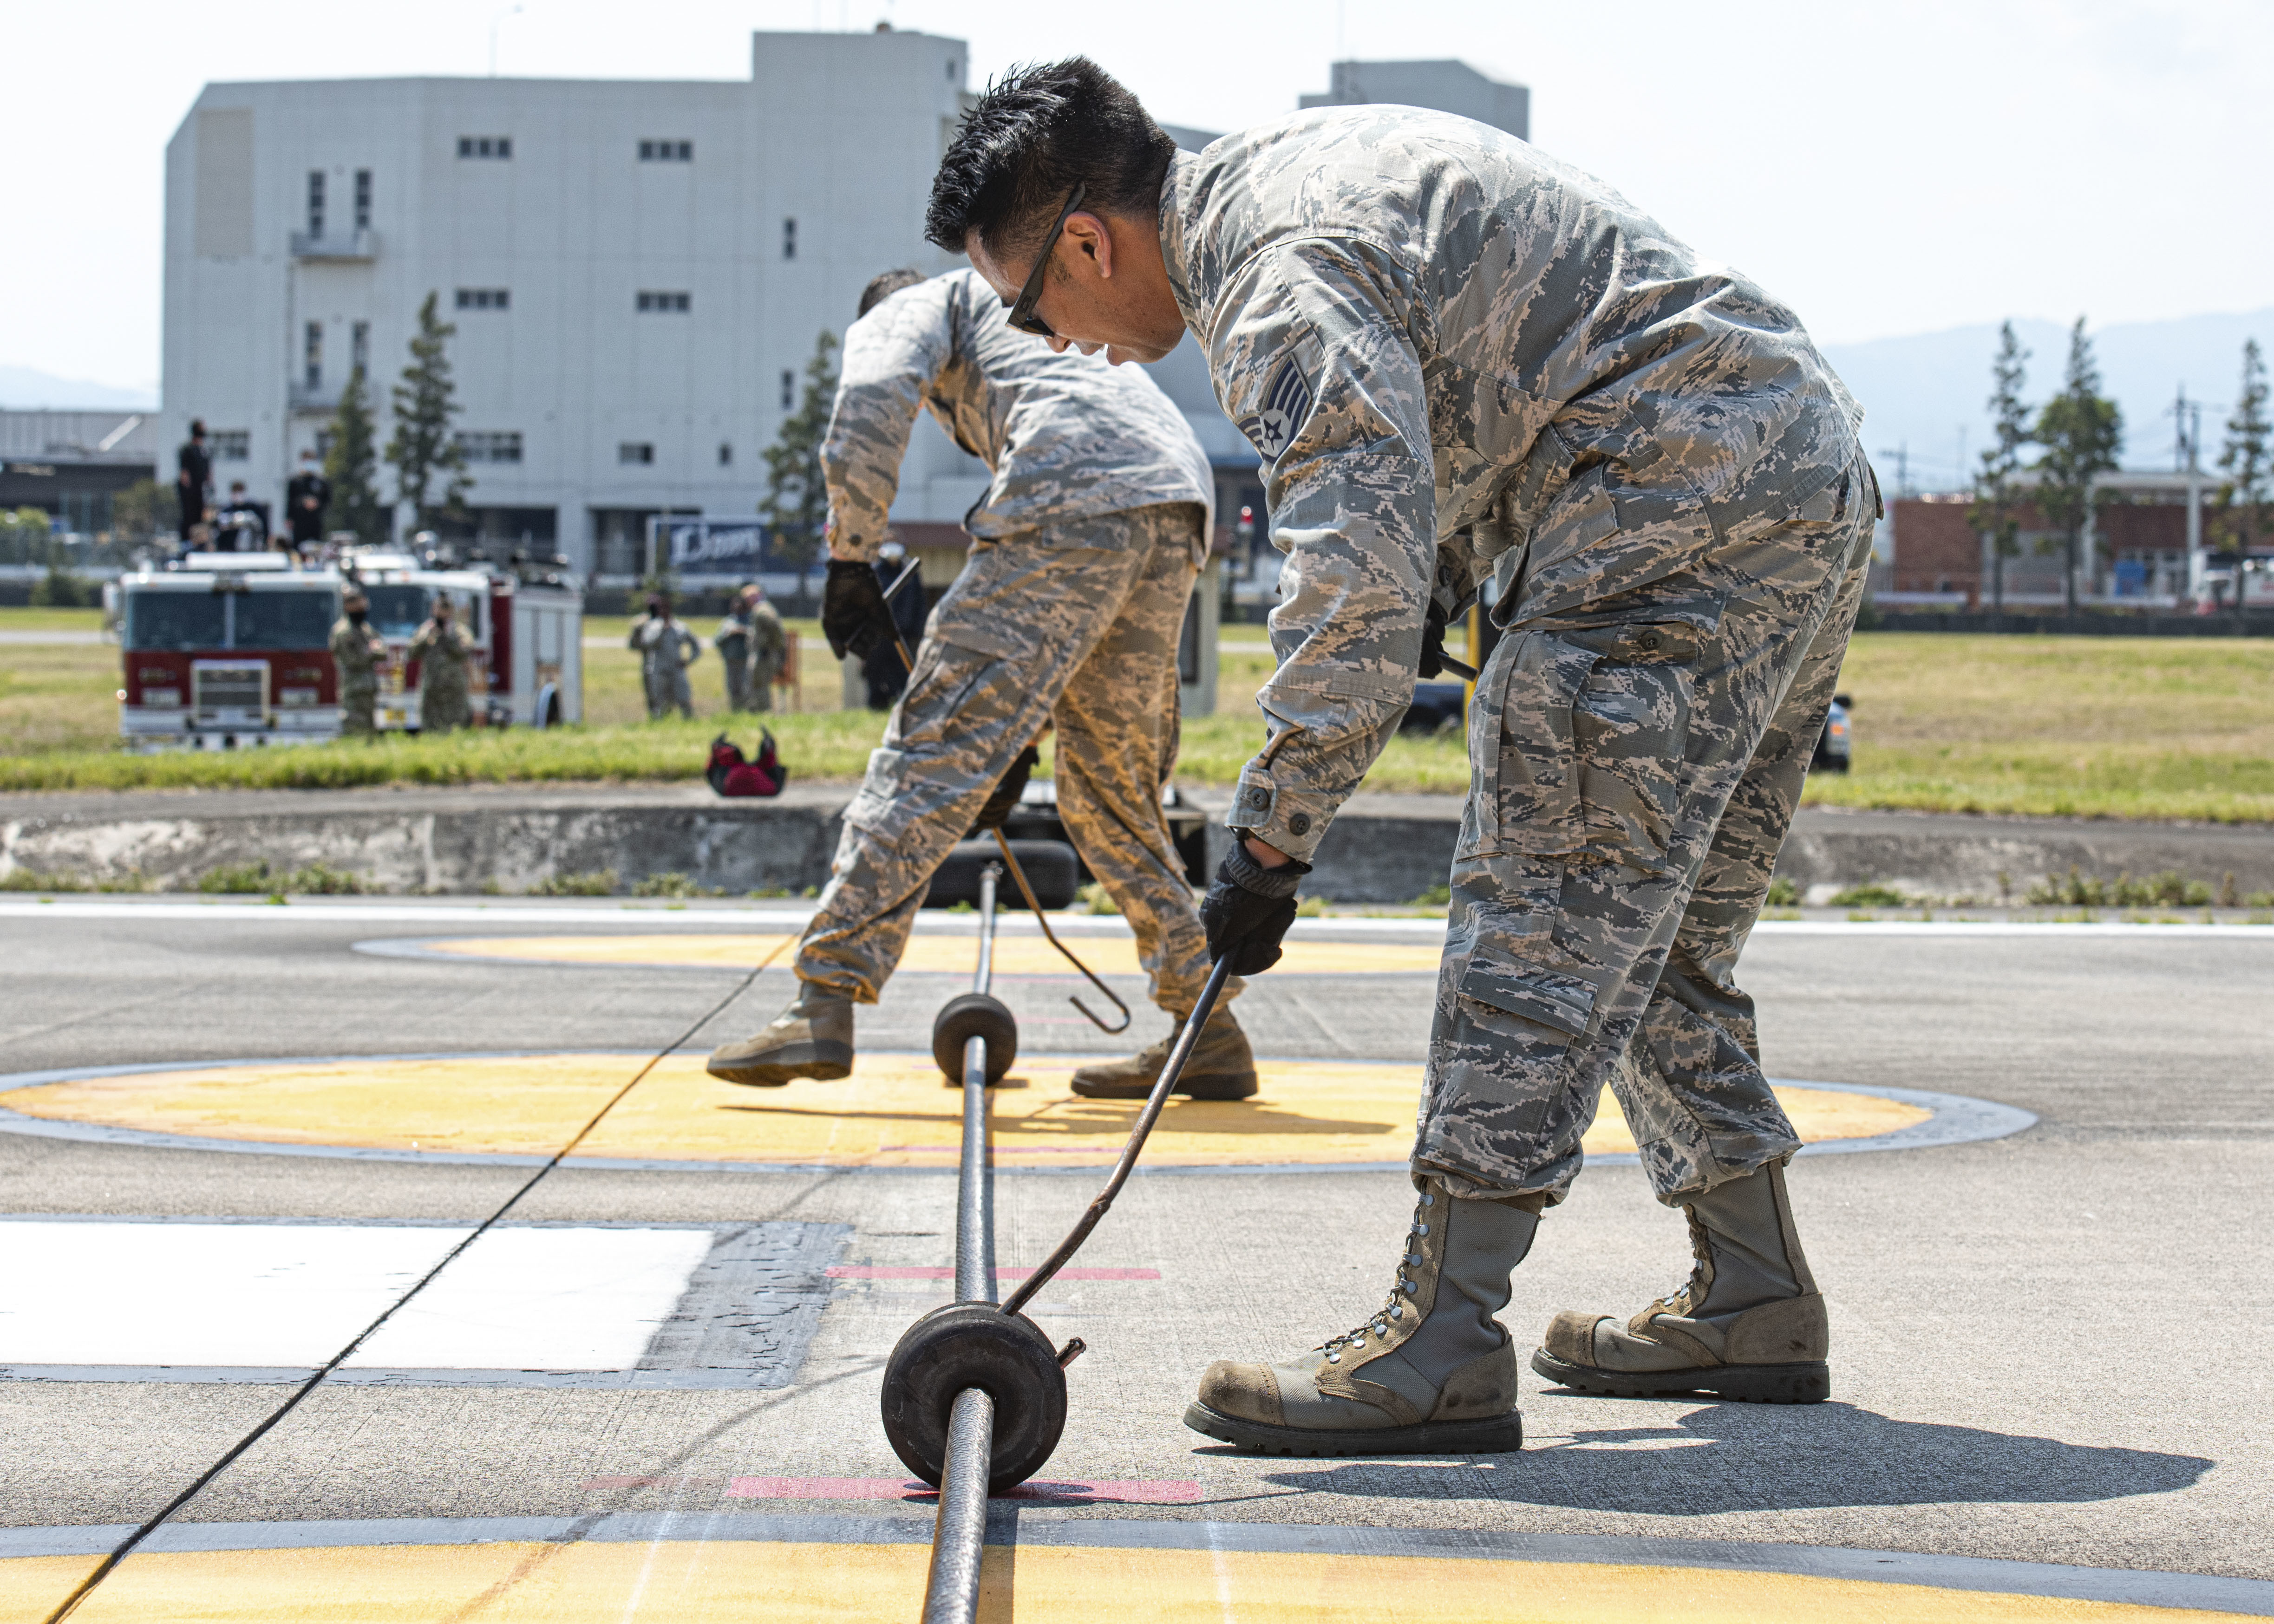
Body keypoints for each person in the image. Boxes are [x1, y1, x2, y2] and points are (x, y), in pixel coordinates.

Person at [932, 60, 1875, 1451]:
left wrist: (1269, 838)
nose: (1060, 345)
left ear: (1087, 240)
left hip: (1668, 498)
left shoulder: (1270, 276)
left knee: (1544, 907)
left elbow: (1353, 595)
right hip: (1785, 469)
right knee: (1649, 928)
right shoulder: (1285, 179)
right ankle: (1752, 1290)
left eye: (1032, 309)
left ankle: (1441, 1339)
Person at [704, 263, 1249, 1102]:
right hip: (1175, 502)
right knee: (1113, 794)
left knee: (927, 757)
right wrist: (1012, 734)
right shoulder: (1030, 322)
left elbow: (874, 389)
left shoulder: (925, 304)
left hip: (1075, 485)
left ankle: (825, 997)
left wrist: (850, 552)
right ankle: (1206, 1027)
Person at [861, 540, 928, 709]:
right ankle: (877, 705)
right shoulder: (874, 574)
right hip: (879, 635)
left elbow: (919, 605)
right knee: (876, 672)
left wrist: (918, 632)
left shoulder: (911, 575)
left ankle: (903, 706)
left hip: (903, 634)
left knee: (903, 674)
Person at [408, 594, 476, 733]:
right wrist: (428, 636)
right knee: (430, 728)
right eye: (439, 608)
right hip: (431, 688)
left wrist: (448, 635)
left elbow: (464, 651)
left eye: (446, 608)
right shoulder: (426, 630)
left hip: (453, 689)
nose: (442, 612)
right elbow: (412, 653)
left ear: (451, 611)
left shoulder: (459, 631)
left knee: (455, 727)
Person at [628, 594, 699, 719]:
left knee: (684, 698)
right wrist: (662, 631)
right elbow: (646, 644)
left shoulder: (680, 626)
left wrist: (689, 660)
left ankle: (689, 721)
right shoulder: (651, 626)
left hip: (676, 669)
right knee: (659, 700)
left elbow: (695, 644)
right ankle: (659, 722)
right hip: (658, 669)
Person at [329, 587, 386, 737]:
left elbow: (383, 650)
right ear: (348, 605)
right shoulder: (342, 631)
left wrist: (371, 652)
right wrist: (370, 652)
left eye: (363, 603)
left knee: (370, 732)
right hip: (353, 691)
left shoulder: (366, 629)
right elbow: (351, 660)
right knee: (354, 731)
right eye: (357, 603)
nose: (362, 607)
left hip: (369, 689)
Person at [745, 583, 789, 712]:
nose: (748, 602)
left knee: (760, 684)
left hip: (764, 654)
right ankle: (758, 710)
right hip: (764, 653)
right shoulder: (763, 608)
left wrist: (770, 648)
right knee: (757, 683)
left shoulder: (762, 610)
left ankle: (763, 711)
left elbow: (775, 629)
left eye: (750, 598)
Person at [714, 590, 756, 712]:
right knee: (733, 689)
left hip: (746, 661)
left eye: (739, 605)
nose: (736, 608)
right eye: (734, 605)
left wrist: (744, 631)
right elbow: (717, 641)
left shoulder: (751, 620)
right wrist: (729, 634)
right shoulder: (727, 622)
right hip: (731, 661)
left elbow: (756, 636)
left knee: (747, 689)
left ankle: (749, 712)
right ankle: (735, 712)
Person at [286, 450, 331, 555]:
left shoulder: (321, 482)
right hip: (299, 521)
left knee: (317, 547)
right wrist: (289, 518)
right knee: (298, 548)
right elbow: (290, 501)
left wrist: (317, 504)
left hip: (315, 520)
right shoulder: (295, 482)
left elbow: (327, 501)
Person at [175, 420, 210, 542]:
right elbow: (184, 472)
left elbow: (208, 471)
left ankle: (198, 541)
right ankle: (186, 541)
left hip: (200, 488)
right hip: (190, 488)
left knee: (200, 516)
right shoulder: (187, 449)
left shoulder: (204, 451)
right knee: (188, 516)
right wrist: (188, 489)